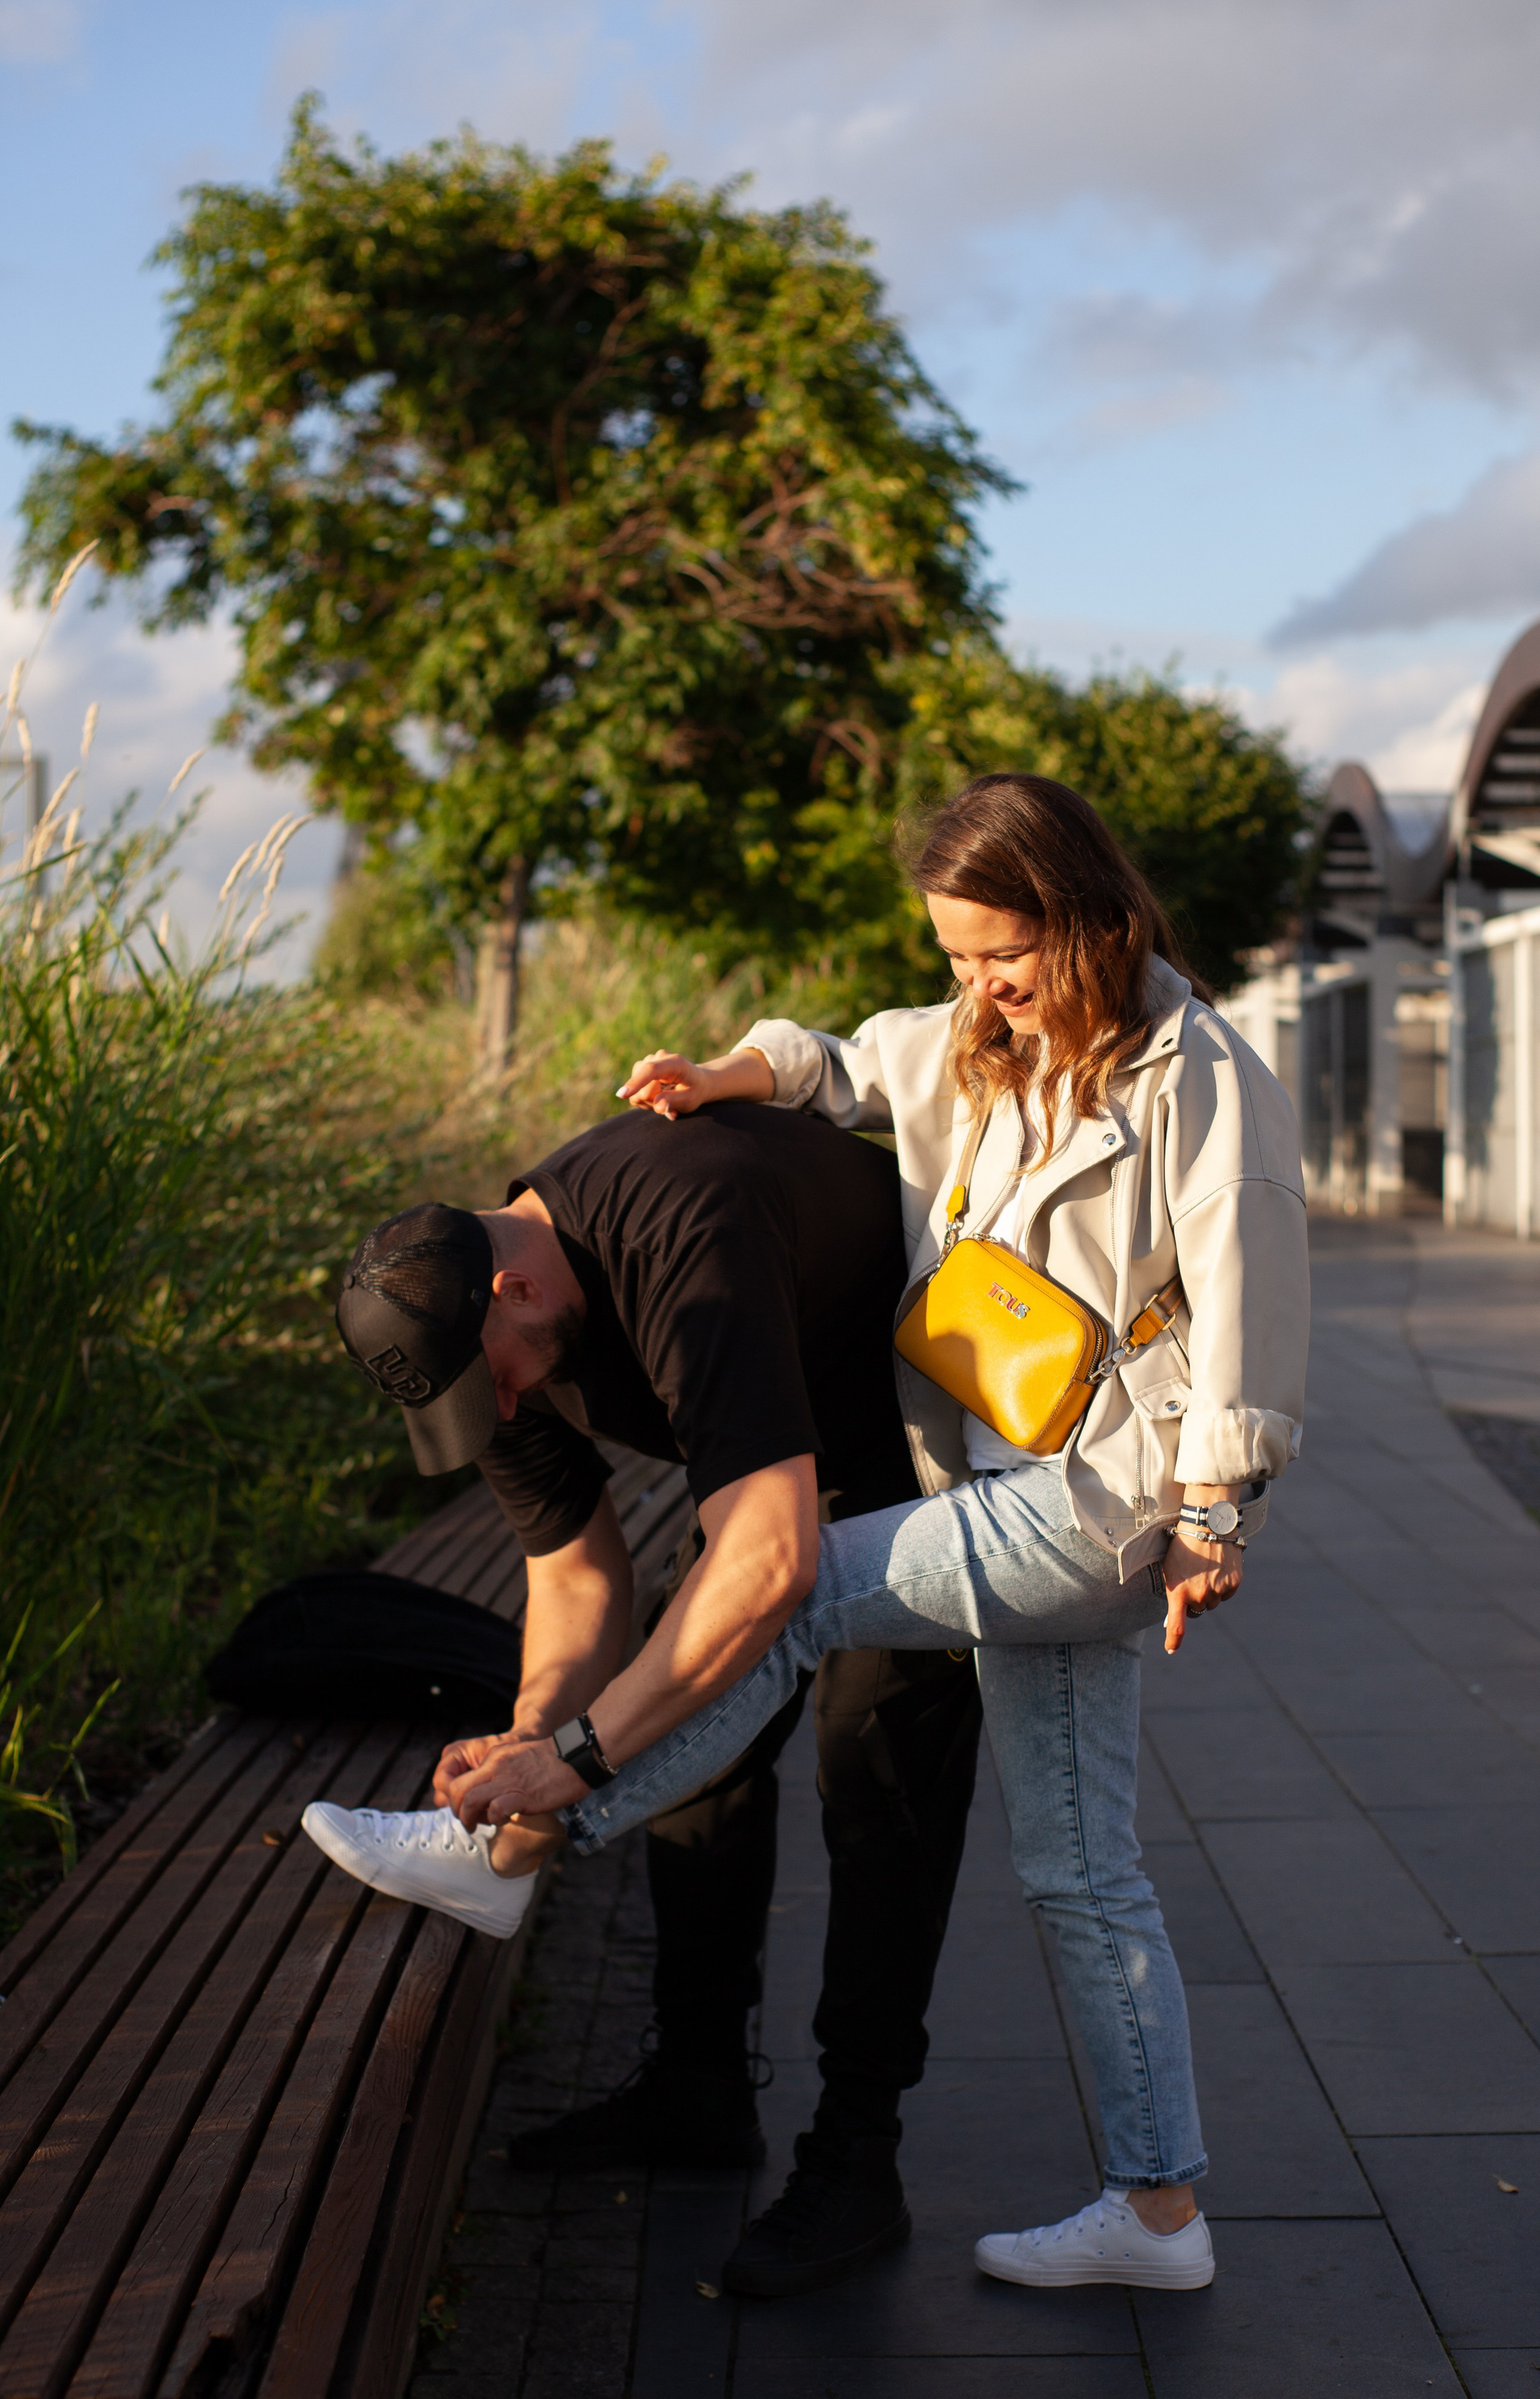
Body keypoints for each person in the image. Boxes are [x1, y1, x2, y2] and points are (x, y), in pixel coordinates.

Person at [417, 772, 1309, 2296]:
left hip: (1108, 1492)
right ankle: (1157, 2215)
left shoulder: (1195, 1071)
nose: (978, 984)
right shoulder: (982, 1048)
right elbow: (840, 1060)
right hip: (979, 1479)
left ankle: (525, 1836)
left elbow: (1250, 1287)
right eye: (955, 956)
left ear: (1085, 912)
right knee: (1083, 1875)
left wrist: (1214, 1514)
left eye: (1000, 952)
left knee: (796, 1594)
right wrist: (723, 1071)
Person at [304, 1100, 983, 2295]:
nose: (500, 1413)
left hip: (918, 1438)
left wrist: (577, 1761)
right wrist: (529, 1743)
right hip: (774, 1470)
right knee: (692, 1758)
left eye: (494, 1385)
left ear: (513, 1288)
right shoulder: (490, 1340)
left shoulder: (682, 1224)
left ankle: (859, 2158)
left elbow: (771, 1558)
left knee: (876, 1778)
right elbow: (574, 1569)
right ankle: (700, 2087)